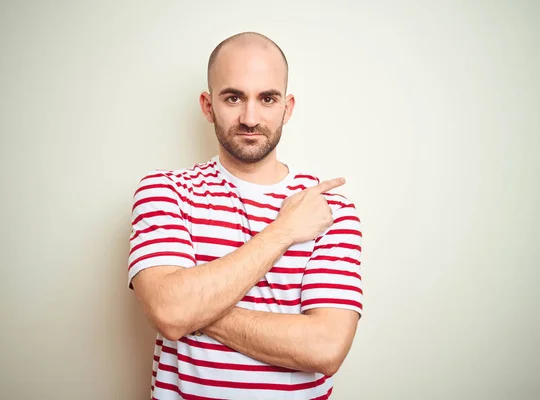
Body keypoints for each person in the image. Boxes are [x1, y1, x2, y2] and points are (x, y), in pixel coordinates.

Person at [128, 31, 363, 400]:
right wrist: (283, 231)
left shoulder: (327, 208)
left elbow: (325, 348)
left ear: (287, 107)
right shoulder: (166, 191)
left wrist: (195, 308)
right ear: (208, 106)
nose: (250, 118)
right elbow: (169, 311)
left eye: (267, 98)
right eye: (233, 97)